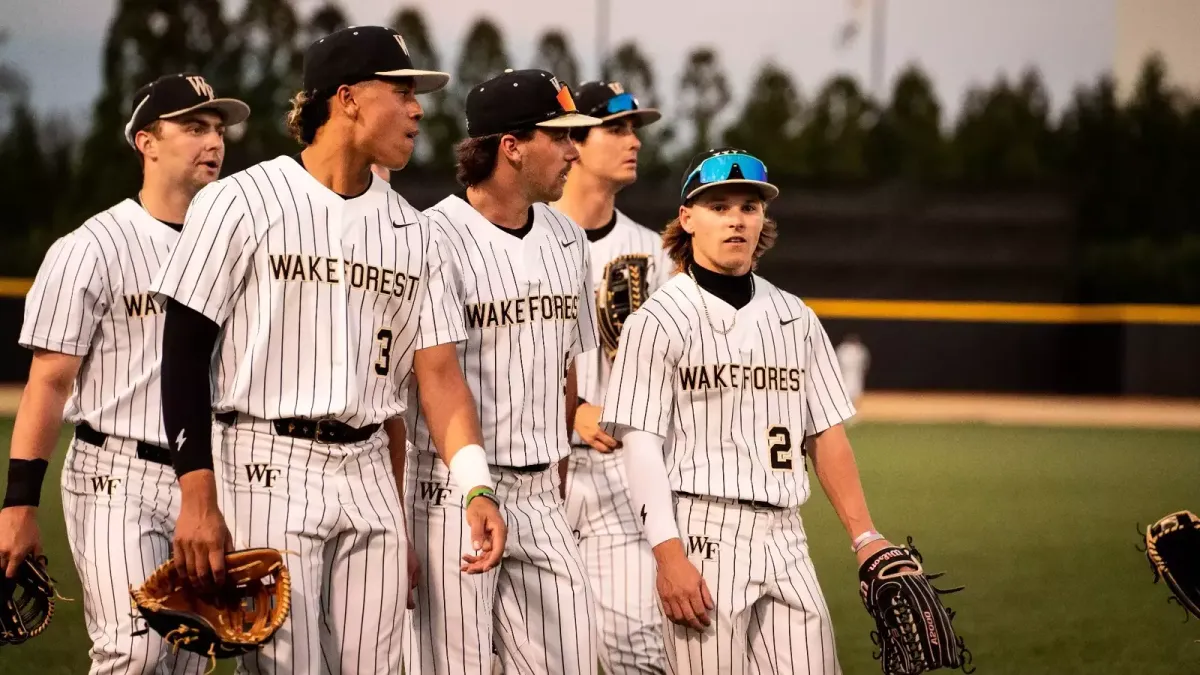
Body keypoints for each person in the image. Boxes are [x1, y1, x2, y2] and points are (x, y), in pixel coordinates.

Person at [147, 26, 506, 674]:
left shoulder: (415, 232)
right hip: (267, 460)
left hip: (371, 467)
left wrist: (477, 486)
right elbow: (182, 352)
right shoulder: (240, 202)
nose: (418, 108)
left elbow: (442, 379)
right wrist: (197, 493)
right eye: (400, 91)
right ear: (347, 98)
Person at [600, 148, 894, 674]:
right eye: (718, 206)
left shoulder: (794, 316)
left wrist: (865, 536)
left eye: (749, 206)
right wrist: (668, 555)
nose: (736, 218)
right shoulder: (659, 319)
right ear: (687, 219)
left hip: (786, 535)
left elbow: (826, 434)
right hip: (702, 532)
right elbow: (640, 445)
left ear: (763, 220)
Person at [0, 73, 249, 674]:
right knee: (134, 653)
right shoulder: (91, 246)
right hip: (116, 476)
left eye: (218, 128)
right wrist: (18, 505)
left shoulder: (242, 244)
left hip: (210, 481)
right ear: (146, 142)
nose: (212, 141)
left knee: (189, 661)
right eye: (192, 126)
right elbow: (49, 383)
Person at [400, 68, 603, 675]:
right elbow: (406, 386)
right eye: (559, 135)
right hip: (449, 493)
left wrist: (559, 479)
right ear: (510, 147)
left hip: (542, 493)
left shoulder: (569, 239)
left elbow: (567, 367)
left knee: (572, 659)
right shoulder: (428, 236)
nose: (574, 150)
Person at [551, 80, 670, 674]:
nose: (633, 142)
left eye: (634, 129)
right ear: (573, 140)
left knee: (638, 652)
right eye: (616, 128)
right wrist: (571, 409)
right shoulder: (523, 236)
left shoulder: (656, 253)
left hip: (621, 475)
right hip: (534, 468)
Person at [835, 332, 870, 412]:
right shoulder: (843, 349)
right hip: (845, 375)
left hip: (856, 375)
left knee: (855, 393)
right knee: (846, 393)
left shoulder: (860, 349)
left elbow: (864, 364)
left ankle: (853, 412)